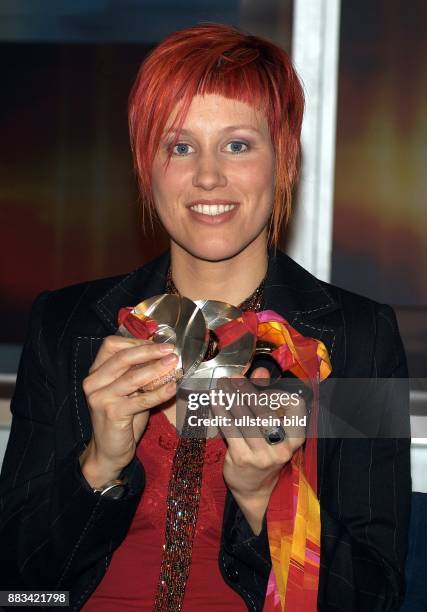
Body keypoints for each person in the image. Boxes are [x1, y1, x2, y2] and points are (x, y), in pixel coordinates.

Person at [0, 23, 411, 612]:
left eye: (238, 145)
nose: (209, 177)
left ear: (282, 158)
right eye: (180, 145)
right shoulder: (68, 325)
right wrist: (100, 464)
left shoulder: (356, 339)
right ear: (148, 165)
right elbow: (18, 587)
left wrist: (263, 500)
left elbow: (373, 597)